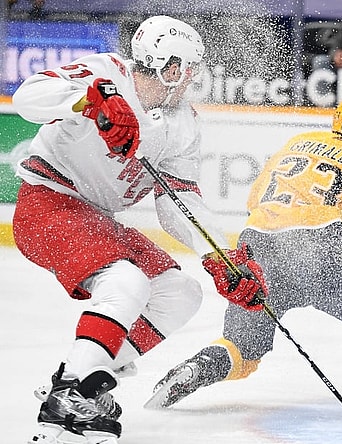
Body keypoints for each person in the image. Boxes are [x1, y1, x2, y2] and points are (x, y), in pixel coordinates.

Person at [12, 15, 265, 444]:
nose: (189, 79)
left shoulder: (182, 124)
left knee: (180, 293)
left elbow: (177, 201)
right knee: (126, 281)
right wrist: (90, 100)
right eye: (183, 68)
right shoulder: (106, 73)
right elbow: (27, 96)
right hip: (46, 202)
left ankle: (79, 375)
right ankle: (70, 393)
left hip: (97, 220)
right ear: (164, 64)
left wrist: (220, 256)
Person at [144, 95, 342, 411]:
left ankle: (199, 367)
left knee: (243, 352)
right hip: (318, 253)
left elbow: (255, 200)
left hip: (256, 247)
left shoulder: (299, 142)